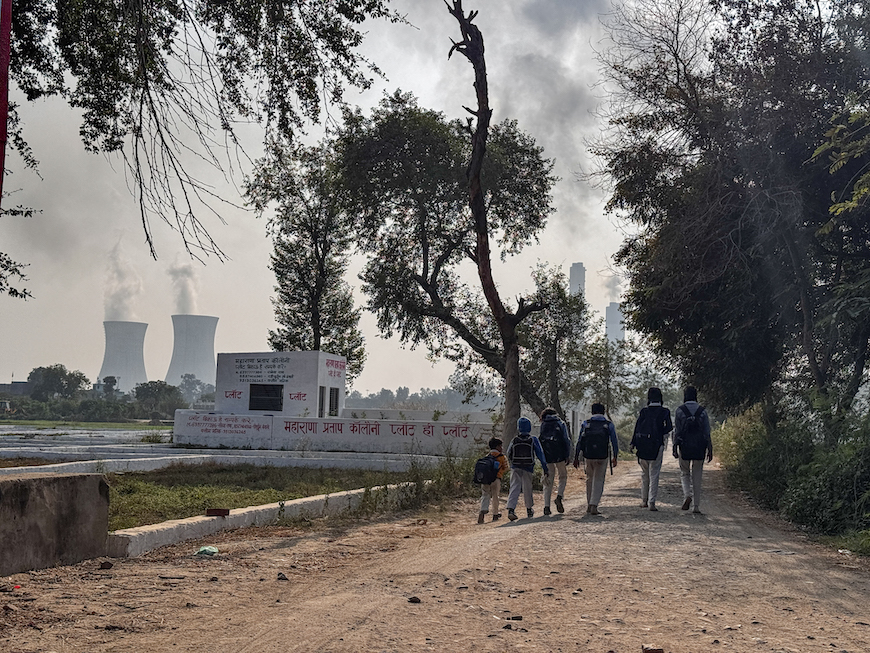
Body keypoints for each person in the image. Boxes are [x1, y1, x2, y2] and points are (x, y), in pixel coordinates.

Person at [629, 387, 673, 511]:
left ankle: (644, 500)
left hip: (642, 445)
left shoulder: (644, 412)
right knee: (655, 474)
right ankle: (652, 501)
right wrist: (660, 433)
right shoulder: (665, 412)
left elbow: (637, 428)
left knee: (644, 474)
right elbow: (669, 427)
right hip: (657, 445)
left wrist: (633, 443)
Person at [672, 386, 713, 514]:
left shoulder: (680, 411)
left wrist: (674, 446)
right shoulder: (703, 412)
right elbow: (707, 432)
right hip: (700, 447)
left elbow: (677, 431)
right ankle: (696, 506)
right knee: (697, 475)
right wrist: (710, 449)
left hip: (684, 447)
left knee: (684, 473)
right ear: (696, 396)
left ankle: (687, 495)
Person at [573, 403, 619, 515]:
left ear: (592, 412)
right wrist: (615, 456)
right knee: (599, 479)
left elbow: (579, 441)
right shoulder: (608, 424)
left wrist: (576, 457)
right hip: (602, 456)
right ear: (603, 412)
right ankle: (594, 504)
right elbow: (614, 441)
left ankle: (589, 504)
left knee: (589, 479)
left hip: (588, 456)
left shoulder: (586, 424)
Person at [505, 417, 549, 521]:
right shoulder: (533, 439)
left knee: (514, 487)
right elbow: (540, 454)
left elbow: (508, 453)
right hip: (528, 467)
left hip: (515, 467)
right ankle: (529, 509)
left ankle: (511, 509)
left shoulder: (515, 439)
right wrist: (545, 468)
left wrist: (512, 464)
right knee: (527, 488)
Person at [538, 407, 572, 515]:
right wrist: (567, 454)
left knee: (548, 479)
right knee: (563, 476)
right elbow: (566, 439)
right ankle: (559, 496)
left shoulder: (543, 424)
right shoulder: (560, 423)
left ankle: (546, 506)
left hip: (547, 455)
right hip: (560, 454)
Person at [478, 437, 509, 523]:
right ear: (497, 447)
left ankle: (483, 511)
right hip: (496, 479)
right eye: (501, 446)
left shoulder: (487, 456)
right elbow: (506, 468)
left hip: (486, 480)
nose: (502, 448)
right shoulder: (502, 457)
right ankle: (495, 514)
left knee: (485, 495)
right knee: (495, 496)